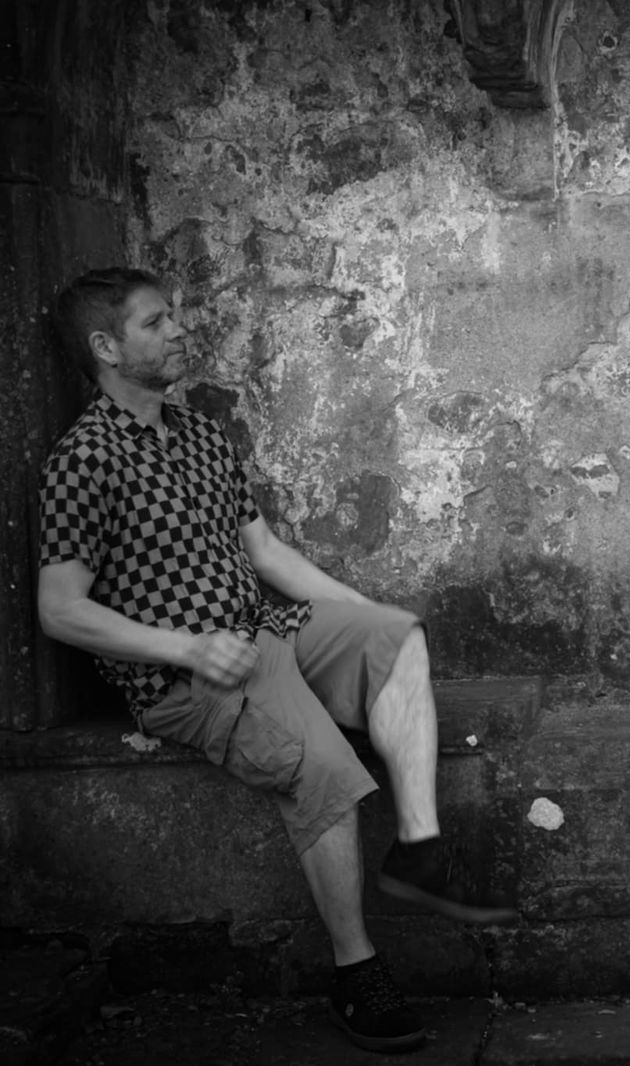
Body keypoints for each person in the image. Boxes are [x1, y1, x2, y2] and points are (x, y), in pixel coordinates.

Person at [36, 267, 516, 1054]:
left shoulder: (198, 433)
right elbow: (60, 609)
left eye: (173, 315)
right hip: (191, 676)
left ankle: (420, 851)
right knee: (322, 765)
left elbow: (265, 553)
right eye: (155, 322)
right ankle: (356, 973)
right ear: (106, 347)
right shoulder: (82, 459)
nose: (179, 329)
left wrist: (362, 617)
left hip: (268, 628)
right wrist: (187, 646)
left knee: (396, 635)